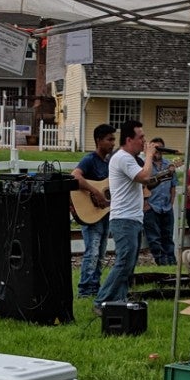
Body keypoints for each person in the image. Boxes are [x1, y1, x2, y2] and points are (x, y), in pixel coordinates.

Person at [96, 120, 157, 308]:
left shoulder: (129, 159)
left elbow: (147, 181)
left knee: (128, 266)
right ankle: (101, 301)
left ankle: (118, 302)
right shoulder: (123, 158)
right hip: (124, 219)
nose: (144, 141)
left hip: (133, 219)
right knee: (123, 263)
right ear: (129, 139)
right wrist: (149, 156)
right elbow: (145, 177)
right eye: (141, 138)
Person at [72, 123, 115, 297]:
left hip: (104, 213)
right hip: (90, 212)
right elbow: (75, 175)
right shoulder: (90, 160)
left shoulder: (110, 163)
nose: (113, 143)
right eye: (109, 139)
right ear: (98, 140)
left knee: (101, 252)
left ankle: (95, 287)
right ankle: (85, 289)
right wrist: (95, 191)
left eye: (114, 139)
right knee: (92, 251)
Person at [144, 137, 177, 265]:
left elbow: (173, 185)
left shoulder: (168, 165)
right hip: (151, 206)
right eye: (155, 148)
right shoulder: (145, 164)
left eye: (159, 148)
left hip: (166, 206)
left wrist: (171, 202)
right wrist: (145, 203)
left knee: (168, 236)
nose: (157, 151)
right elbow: (141, 186)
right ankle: (161, 262)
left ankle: (172, 262)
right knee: (154, 238)